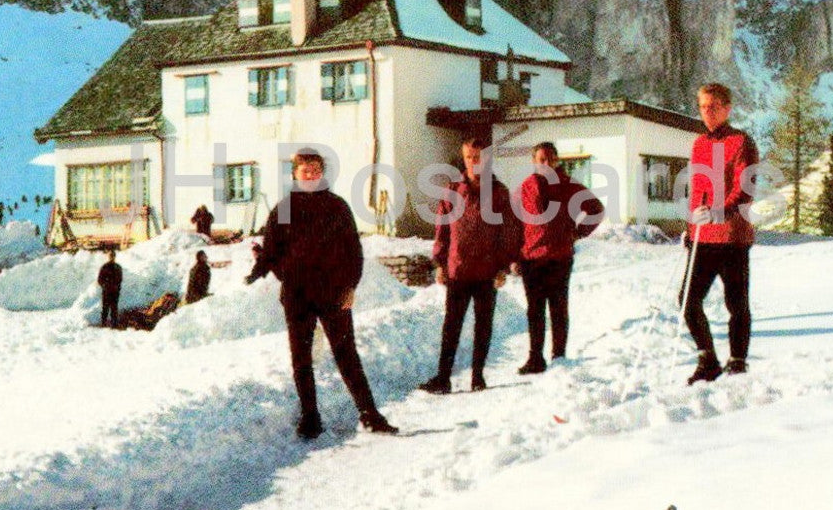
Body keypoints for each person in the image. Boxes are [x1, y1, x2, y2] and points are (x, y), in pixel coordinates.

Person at [246, 149, 395, 439]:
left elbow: (354, 250)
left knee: (346, 354)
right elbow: (271, 251)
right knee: (301, 358)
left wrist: (351, 286)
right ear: (295, 174)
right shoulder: (285, 208)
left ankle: (370, 414)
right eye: (305, 171)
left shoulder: (336, 206)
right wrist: (282, 273)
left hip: (333, 293)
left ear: (322, 172)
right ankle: (310, 416)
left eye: (316, 169)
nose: (311, 175)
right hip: (297, 296)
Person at [419, 137, 522, 394]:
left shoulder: (499, 192)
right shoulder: (453, 191)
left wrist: (503, 267)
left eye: (478, 156)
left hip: (487, 273)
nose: (473, 162)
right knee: (451, 326)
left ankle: (477, 376)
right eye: (468, 157)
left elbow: (509, 232)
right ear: (463, 159)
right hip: (458, 270)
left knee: (483, 326)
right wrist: (440, 263)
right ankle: (443, 378)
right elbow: (442, 231)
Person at [682, 82, 760, 384]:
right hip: (703, 237)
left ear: (727, 108)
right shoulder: (699, 144)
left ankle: (737, 361)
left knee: (736, 303)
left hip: (732, 237)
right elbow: (698, 189)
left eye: (713, 106)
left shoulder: (741, 142)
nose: (707, 112)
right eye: (702, 106)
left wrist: (720, 212)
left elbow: (746, 188)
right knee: (688, 302)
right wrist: (690, 228)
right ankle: (708, 359)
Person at [516, 142, 605, 374]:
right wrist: (514, 255)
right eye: (540, 160)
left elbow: (596, 209)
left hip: (559, 257)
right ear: (534, 162)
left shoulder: (568, 185)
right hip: (532, 258)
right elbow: (514, 223)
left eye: (550, 159)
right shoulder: (526, 187)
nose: (545, 164)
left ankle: (558, 357)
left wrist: (577, 232)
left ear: (556, 161)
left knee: (558, 308)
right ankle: (535, 358)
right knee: (534, 310)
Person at [97, 248, 123, 329]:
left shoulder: (118, 267)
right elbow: (100, 279)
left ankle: (114, 325)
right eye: (110, 256)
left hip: (115, 292)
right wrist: (105, 286)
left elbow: (120, 279)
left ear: (115, 257)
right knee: (105, 308)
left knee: (114, 308)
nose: (111, 257)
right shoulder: (104, 267)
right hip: (106, 291)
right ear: (108, 257)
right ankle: (103, 323)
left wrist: (117, 288)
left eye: (113, 256)